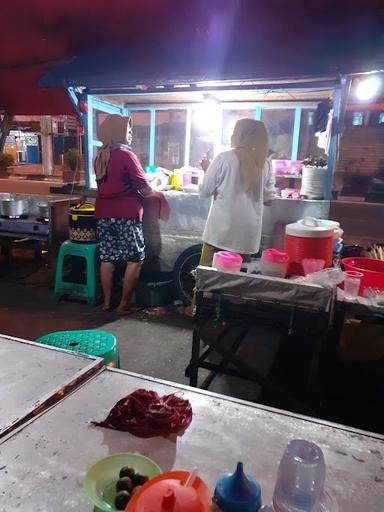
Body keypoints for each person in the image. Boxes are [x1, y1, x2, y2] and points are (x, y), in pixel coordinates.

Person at [197, 118, 275, 276]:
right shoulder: (265, 164)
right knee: (236, 285)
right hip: (246, 238)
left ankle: (201, 301)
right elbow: (269, 201)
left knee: (207, 280)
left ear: (239, 135)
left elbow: (205, 191)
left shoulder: (224, 158)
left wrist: (206, 170)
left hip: (220, 234)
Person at [94, 114, 153, 314]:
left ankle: (107, 302)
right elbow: (146, 190)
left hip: (103, 214)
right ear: (117, 132)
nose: (130, 134)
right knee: (135, 259)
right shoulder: (126, 155)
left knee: (108, 258)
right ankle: (124, 304)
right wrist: (157, 185)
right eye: (127, 130)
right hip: (126, 215)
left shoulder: (100, 155)